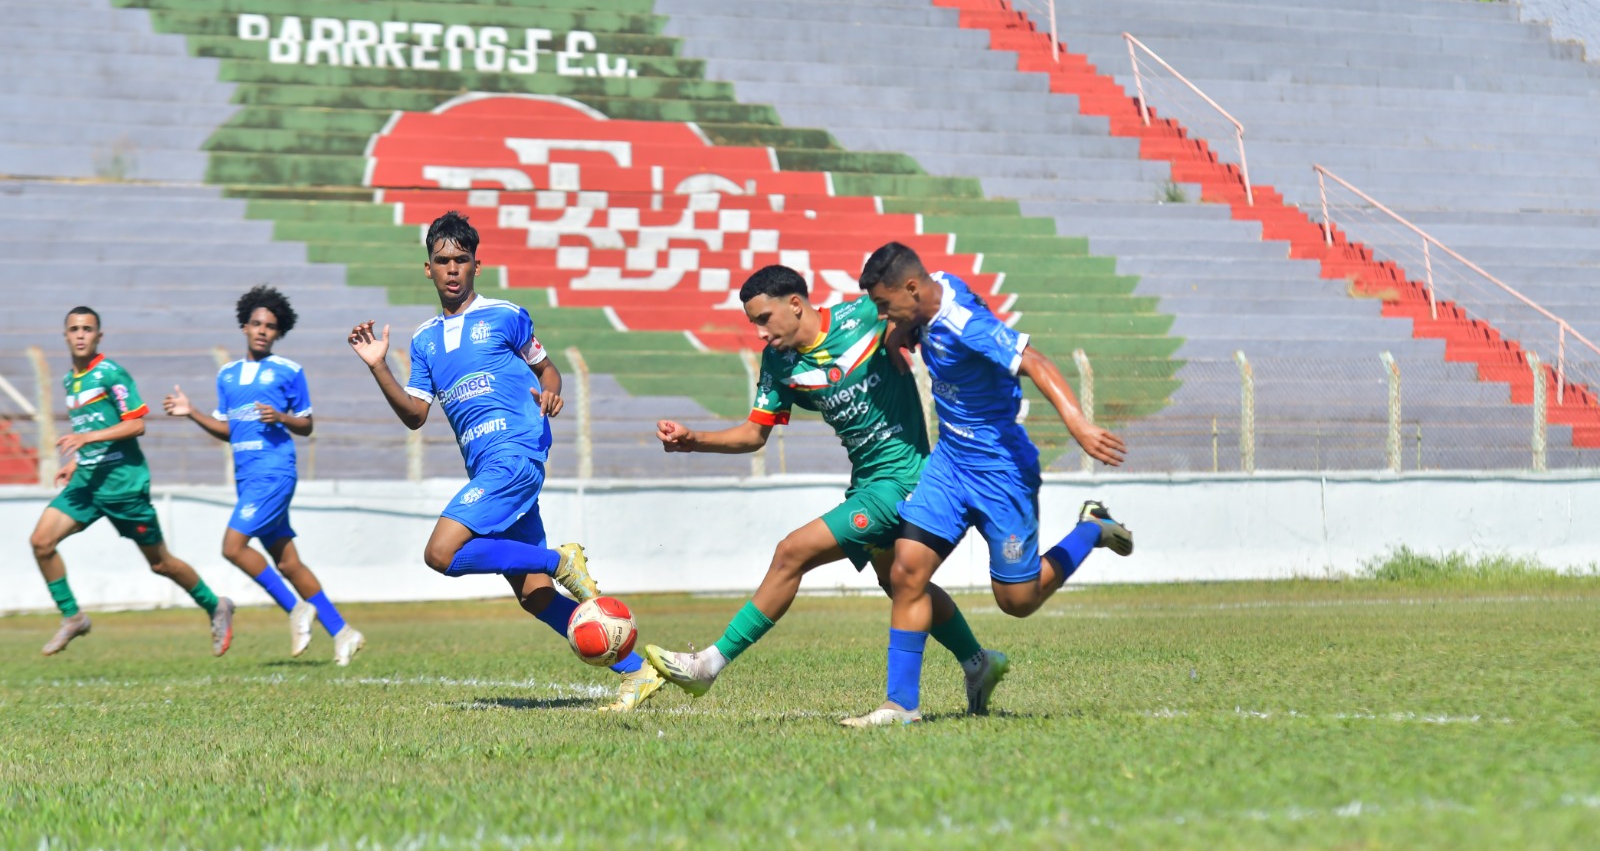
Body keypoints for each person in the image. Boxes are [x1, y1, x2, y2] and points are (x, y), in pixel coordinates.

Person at [645, 265, 1009, 714]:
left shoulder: (865, 317)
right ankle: (977, 662)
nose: (759, 333)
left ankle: (708, 665)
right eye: (752, 323)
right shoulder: (779, 363)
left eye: (763, 319)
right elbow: (755, 434)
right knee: (900, 585)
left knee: (791, 551)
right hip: (866, 483)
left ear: (795, 304)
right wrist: (693, 441)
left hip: (905, 480)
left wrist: (903, 334)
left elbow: (926, 293)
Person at [345, 210, 662, 711]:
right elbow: (414, 416)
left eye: (461, 260)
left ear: (477, 266)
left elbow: (548, 369)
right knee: (535, 596)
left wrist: (551, 394)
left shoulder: (505, 315)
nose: (452, 269)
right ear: (428, 268)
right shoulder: (425, 341)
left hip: (514, 453)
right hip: (487, 466)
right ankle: (636, 672)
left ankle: (560, 560)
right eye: (442, 260)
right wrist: (379, 365)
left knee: (441, 554)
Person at [840, 243, 1134, 728]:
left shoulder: (964, 324)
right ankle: (901, 705)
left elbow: (1034, 361)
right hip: (951, 464)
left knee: (1016, 601)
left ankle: (1092, 528)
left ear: (912, 289)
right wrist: (896, 333)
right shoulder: (931, 291)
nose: (881, 314)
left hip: (1001, 473)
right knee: (906, 573)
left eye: (885, 304)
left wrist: (1078, 425)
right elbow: (913, 316)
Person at [163, 286, 364, 665]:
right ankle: (343, 632)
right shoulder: (226, 376)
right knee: (288, 563)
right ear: (244, 326)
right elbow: (227, 430)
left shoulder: (289, 371)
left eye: (270, 326)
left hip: (274, 472)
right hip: (247, 477)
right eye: (256, 323)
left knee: (233, 547)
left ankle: (295, 607)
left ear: (278, 332)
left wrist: (283, 418)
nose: (262, 330)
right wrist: (191, 412)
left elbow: (306, 425)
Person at [29, 307, 235, 657]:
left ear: (99, 336)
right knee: (41, 542)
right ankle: (73, 617)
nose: (81, 334)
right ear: (65, 335)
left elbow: (136, 424)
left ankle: (216, 605)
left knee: (160, 564)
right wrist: (76, 461)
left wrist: (88, 439)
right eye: (74, 329)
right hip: (87, 484)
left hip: (124, 486)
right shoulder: (69, 380)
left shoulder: (111, 374)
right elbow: (89, 430)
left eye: (87, 329)